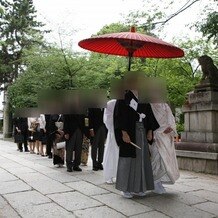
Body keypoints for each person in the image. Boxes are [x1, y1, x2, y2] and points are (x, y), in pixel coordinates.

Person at [114, 87, 159, 199]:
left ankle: (139, 187)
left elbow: (149, 115)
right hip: (129, 131)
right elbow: (119, 116)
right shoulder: (123, 98)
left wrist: (150, 130)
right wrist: (123, 133)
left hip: (141, 131)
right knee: (128, 160)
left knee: (141, 159)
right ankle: (126, 188)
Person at [150, 103, 180, 194]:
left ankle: (159, 181)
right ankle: (155, 182)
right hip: (156, 134)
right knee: (156, 158)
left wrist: (171, 127)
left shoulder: (165, 105)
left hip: (166, 136)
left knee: (165, 160)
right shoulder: (149, 105)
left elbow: (171, 117)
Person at [103, 99, 119, 184]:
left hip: (124, 132)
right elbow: (107, 119)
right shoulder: (110, 103)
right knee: (111, 153)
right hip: (113, 132)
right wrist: (115, 129)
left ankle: (120, 174)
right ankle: (109, 175)